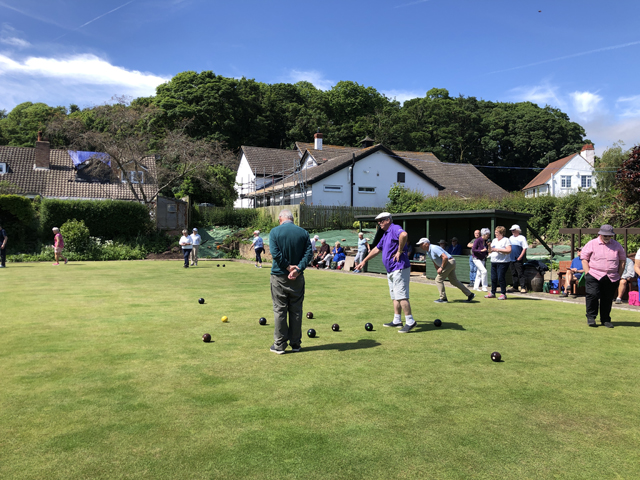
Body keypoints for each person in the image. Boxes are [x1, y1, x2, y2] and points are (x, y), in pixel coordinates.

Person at [356, 212, 416, 333]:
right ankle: (397, 320)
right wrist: (364, 261)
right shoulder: (386, 234)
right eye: (378, 221)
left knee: (401, 296)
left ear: (388, 220)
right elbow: (377, 249)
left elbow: (404, 235)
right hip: (391, 269)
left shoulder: (394, 228)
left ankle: (410, 321)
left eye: (381, 220)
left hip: (399, 267)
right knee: (395, 296)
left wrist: (399, 251)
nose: (379, 223)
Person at [268, 209, 314, 354]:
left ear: (280, 218)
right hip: (297, 277)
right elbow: (309, 253)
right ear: (292, 219)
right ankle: (295, 344)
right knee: (296, 310)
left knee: (280, 309)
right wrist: (298, 269)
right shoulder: (303, 233)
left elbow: (275, 253)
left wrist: (288, 267)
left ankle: (280, 345)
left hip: (279, 276)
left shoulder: (275, 232)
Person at [580, 224, 626, 328]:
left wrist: (619, 275)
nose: (607, 237)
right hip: (594, 274)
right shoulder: (591, 243)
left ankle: (605, 319)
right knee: (593, 295)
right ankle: (591, 317)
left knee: (607, 298)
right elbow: (584, 258)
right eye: (605, 235)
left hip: (611, 276)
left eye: (609, 236)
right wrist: (587, 273)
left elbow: (623, 260)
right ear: (600, 234)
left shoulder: (617, 245)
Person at [416, 238, 475, 303]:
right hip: (448, 263)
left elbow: (445, 257)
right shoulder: (428, 251)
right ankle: (470, 294)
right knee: (454, 281)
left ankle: (443, 298)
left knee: (438, 280)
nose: (420, 246)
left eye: (421, 244)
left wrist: (441, 267)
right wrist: (437, 269)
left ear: (426, 244)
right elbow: (434, 261)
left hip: (449, 262)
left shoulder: (434, 248)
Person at [485, 226, 512, 300]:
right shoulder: (494, 240)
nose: (495, 233)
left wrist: (497, 249)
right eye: (495, 232)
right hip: (494, 261)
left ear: (501, 233)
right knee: (493, 278)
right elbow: (490, 251)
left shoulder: (506, 240)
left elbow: (509, 250)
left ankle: (503, 294)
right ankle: (493, 293)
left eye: (497, 232)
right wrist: (489, 246)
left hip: (503, 262)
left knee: (501, 277)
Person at [508, 225, 529, 293]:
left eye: (513, 230)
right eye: (511, 230)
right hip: (511, 258)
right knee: (513, 273)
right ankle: (515, 287)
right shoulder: (510, 238)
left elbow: (524, 248)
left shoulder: (522, 238)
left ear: (517, 230)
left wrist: (520, 257)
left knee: (520, 273)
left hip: (518, 259)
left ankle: (523, 287)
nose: (512, 231)